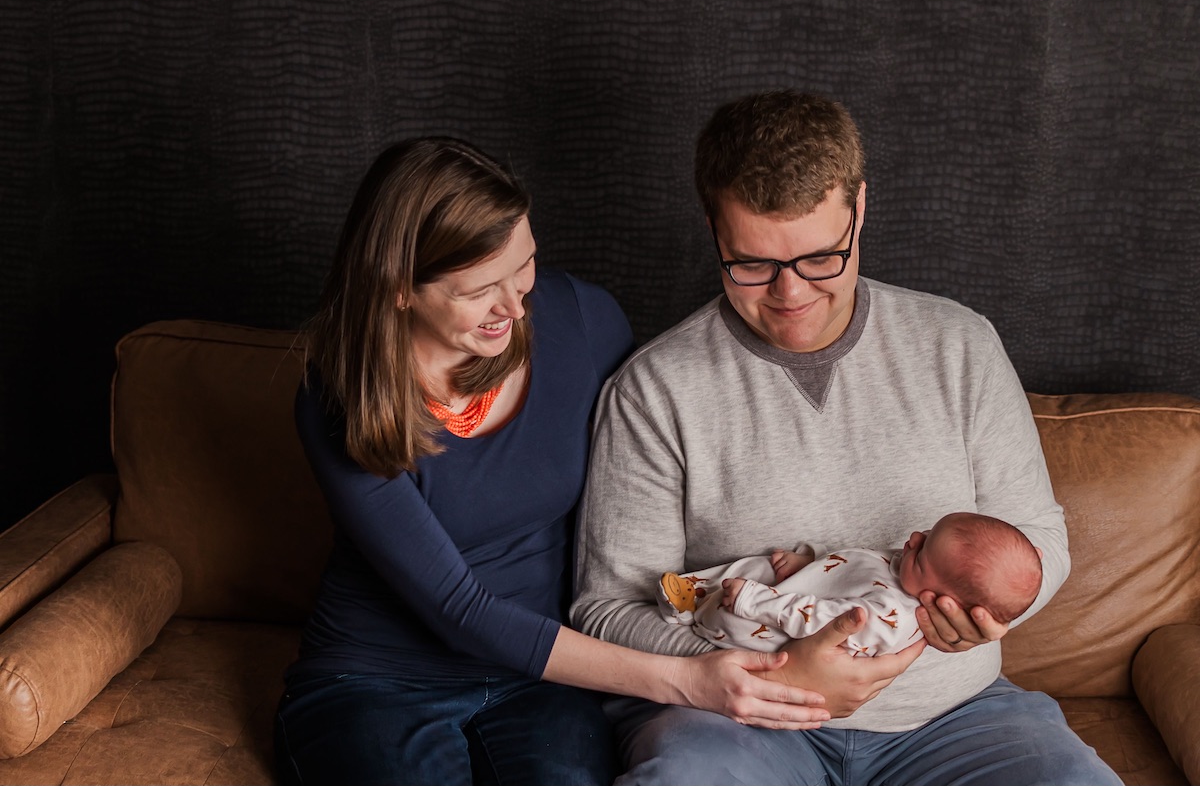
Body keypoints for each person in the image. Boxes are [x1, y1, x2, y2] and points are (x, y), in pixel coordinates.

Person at [571, 91, 1122, 784]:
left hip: (954, 719)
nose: (790, 293)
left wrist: (983, 610)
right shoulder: (655, 389)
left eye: (819, 259)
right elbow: (606, 608)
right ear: (714, 229)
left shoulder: (960, 347)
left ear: (859, 210)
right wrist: (763, 673)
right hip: (738, 724)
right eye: (752, 264)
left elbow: (1042, 538)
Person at [272, 136, 830, 786]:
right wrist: (685, 679)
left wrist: (779, 567)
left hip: (542, 684)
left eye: (524, 266)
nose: (515, 306)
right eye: (480, 289)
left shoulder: (581, 319)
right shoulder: (342, 396)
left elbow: (661, 474)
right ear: (399, 290)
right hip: (374, 681)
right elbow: (458, 606)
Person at [658, 512, 1042, 657]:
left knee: (737, 608)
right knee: (755, 566)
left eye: (922, 553)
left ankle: (694, 612)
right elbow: (853, 563)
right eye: (926, 532)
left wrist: (757, 602)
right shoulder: (903, 570)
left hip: (772, 626)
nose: (912, 539)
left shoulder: (892, 616)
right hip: (796, 590)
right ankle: (691, 595)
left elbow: (824, 621)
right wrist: (809, 563)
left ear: (943, 604)